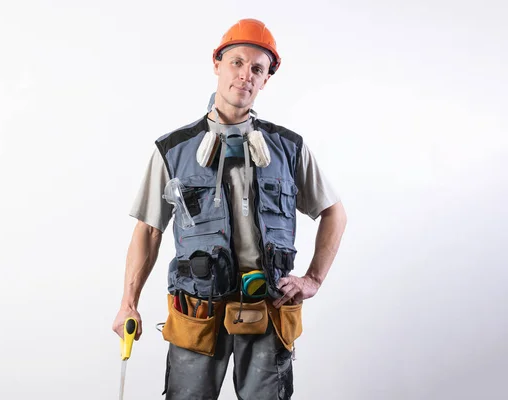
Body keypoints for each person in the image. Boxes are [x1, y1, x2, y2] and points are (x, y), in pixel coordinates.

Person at [112, 18, 347, 400]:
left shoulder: (289, 149)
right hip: (197, 312)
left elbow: (334, 212)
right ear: (217, 64)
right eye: (237, 62)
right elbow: (148, 231)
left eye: (258, 68)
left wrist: (313, 279)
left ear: (266, 79)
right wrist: (128, 304)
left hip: (268, 309)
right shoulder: (174, 150)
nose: (246, 75)